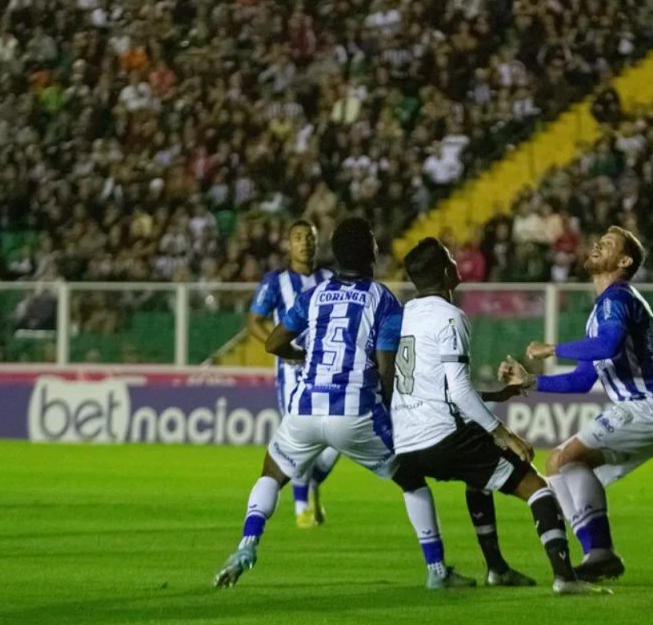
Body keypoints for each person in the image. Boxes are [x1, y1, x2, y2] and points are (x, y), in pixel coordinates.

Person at [215, 218, 469, 589]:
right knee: (413, 482)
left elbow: (272, 343)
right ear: (372, 253)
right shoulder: (383, 300)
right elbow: (385, 369)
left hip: (303, 410)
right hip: (355, 412)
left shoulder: (313, 296)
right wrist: (395, 413)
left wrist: (300, 357)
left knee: (271, 474)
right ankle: (437, 571)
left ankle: (246, 546)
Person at [391, 237, 608, 595]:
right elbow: (458, 391)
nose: (456, 260)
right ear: (446, 271)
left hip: (407, 442)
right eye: (451, 256)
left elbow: (437, 388)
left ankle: (497, 569)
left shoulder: (407, 314)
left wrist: (495, 396)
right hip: (441, 435)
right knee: (538, 488)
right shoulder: (450, 317)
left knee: (479, 479)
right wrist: (505, 434)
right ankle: (565, 578)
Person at [499, 226, 653, 582]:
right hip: (649, 408)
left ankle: (599, 551)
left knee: (565, 459)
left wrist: (552, 349)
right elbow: (583, 380)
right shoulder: (603, 309)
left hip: (650, 403)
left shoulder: (618, 299)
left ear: (625, 261)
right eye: (599, 240)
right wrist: (531, 382)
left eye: (609, 245)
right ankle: (597, 555)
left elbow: (608, 346)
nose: (598, 244)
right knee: (560, 466)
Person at [247, 219, 337, 528]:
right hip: (291, 373)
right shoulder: (275, 282)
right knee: (300, 437)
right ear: (289, 244)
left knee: (335, 442)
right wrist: (281, 347)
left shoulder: (330, 279)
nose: (304, 243)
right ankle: (302, 509)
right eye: (298, 237)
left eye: (309, 237)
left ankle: (312, 486)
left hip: (328, 371)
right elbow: (254, 322)